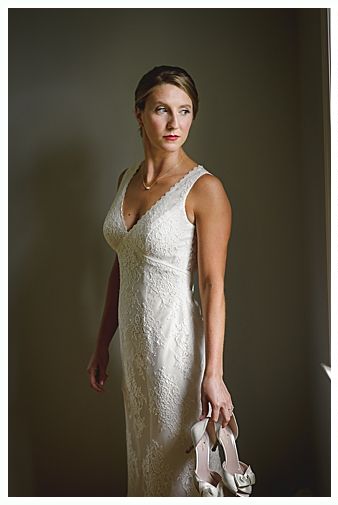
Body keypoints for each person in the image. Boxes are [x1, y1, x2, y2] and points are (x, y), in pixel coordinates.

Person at [88, 65, 237, 496]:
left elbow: (213, 285)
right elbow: (123, 261)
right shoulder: (125, 180)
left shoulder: (205, 189)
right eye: (161, 110)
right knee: (144, 461)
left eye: (185, 111)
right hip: (135, 353)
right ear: (139, 114)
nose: (175, 124)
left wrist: (215, 372)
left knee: (179, 471)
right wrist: (102, 341)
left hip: (178, 350)